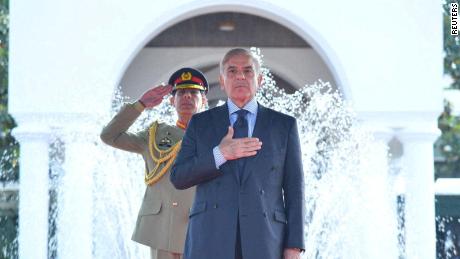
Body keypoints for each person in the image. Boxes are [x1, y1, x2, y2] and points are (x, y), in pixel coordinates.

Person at [170, 48, 305, 259]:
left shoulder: (283, 125)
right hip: (210, 237)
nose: (240, 76)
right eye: (232, 71)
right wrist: (219, 154)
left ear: (260, 80)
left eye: (248, 71)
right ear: (222, 81)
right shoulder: (200, 123)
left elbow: (295, 189)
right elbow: (178, 177)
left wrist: (294, 246)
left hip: (266, 239)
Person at [100, 67, 208, 259]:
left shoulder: (216, 135)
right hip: (162, 228)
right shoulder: (155, 134)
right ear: (171, 100)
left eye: (194, 93)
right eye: (181, 93)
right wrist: (140, 105)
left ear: (204, 101)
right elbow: (109, 136)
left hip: (201, 226)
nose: (187, 97)